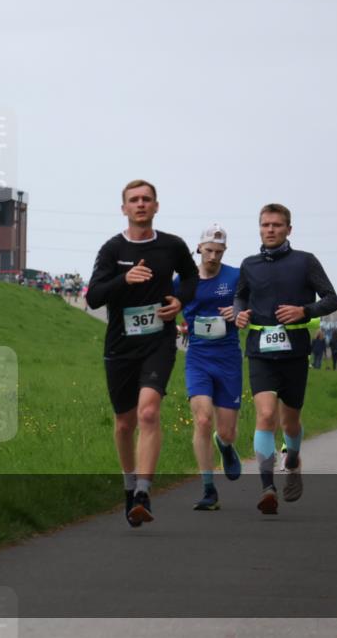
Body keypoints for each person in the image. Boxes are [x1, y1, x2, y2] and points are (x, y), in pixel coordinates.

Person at [86, 179, 198, 527]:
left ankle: (143, 493)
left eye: (146, 199)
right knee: (124, 423)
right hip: (120, 346)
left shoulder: (172, 246)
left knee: (148, 413)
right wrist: (125, 280)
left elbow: (191, 277)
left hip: (158, 342)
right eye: (133, 200)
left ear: (156, 206)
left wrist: (182, 300)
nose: (140, 204)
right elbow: (94, 297)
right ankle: (129, 483)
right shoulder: (111, 249)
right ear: (124, 208)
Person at [234, 203, 337, 514]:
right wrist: (239, 312)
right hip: (259, 351)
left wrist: (303, 311)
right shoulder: (249, 264)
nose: (270, 229)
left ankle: (293, 458)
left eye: (277, 225)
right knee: (265, 416)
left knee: (289, 421)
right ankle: (267, 487)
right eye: (265, 224)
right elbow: (240, 294)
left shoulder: (305, 262)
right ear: (259, 228)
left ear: (288, 229)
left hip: (294, 351)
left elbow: (332, 299)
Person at [175, 223, 243, 511]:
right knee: (202, 419)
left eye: (218, 251)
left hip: (228, 357)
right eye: (208, 250)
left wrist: (240, 311)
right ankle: (208, 489)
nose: (213, 256)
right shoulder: (182, 280)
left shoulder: (237, 277)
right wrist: (177, 325)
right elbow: (167, 305)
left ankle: (224, 444)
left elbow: (250, 305)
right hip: (198, 357)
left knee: (226, 431)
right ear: (199, 248)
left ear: (224, 251)